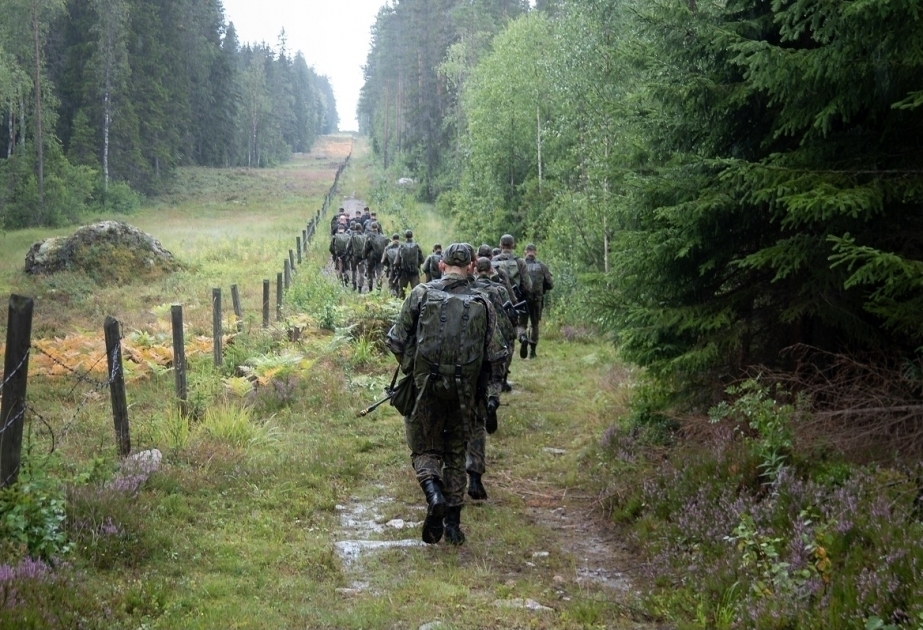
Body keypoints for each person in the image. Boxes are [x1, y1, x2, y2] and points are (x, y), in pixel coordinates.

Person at [386, 244, 508, 545]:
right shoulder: (483, 302)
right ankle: (453, 525)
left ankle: (434, 493)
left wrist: (412, 369)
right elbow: (497, 356)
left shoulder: (421, 294)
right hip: (465, 395)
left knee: (424, 450)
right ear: (470, 266)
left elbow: (396, 339)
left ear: (442, 265)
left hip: (425, 389)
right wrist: (491, 394)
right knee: (455, 454)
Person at [467, 256, 516, 500]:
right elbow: (511, 312)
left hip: (468, 356)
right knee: (493, 380)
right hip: (494, 347)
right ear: (491, 269)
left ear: (475, 269)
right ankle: (493, 399)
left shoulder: (468, 290)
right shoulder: (498, 289)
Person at [491, 234, 532, 365]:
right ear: (513, 246)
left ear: (500, 245)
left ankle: (497, 367)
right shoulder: (520, 262)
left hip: (496, 302)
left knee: (496, 333)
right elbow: (527, 285)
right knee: (515, 329)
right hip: (515, 301)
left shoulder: (492, 262)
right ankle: (522, 337)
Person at [522, 243, 554, 358]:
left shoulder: (520, 264)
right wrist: (542, 288)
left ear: (525, 252)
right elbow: (550, 284)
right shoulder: (542, 266)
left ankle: (523, 338)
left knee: (522, 324)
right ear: (535, 252)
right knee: (534, 325)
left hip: (523, 300)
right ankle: (532, 351)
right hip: (537, 299)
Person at [397, 229, 424, 298]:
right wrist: (417, 265)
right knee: (416, 291)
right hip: (414, 271)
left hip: (404, 271)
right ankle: (416, 306)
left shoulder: (401, 246)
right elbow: (422, 260)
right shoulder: (416, 246)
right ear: (412, 236)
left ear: (405, 236)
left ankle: (400, 306)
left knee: (402, 291)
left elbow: (397, 261)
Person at [363, 222, 389, 292]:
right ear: (377, 228)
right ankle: (379, 289)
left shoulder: (369, 236)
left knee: (370, 272)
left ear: (371, 228)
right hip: (380, 257)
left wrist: (364, 256)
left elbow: (366, 247)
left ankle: (370, 289)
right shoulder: (383, 237)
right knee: (379, 273)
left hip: (371, 258)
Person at [347, 221, 368, 292]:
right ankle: (360, 287)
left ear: (355, 228)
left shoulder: (353, 236)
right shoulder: (365, 236)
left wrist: (348, 254)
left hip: (354, 257)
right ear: (361, 228)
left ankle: (354, 284)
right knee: (361, 272)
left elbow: (348, 246)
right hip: (362, 257)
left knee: (354, 271)